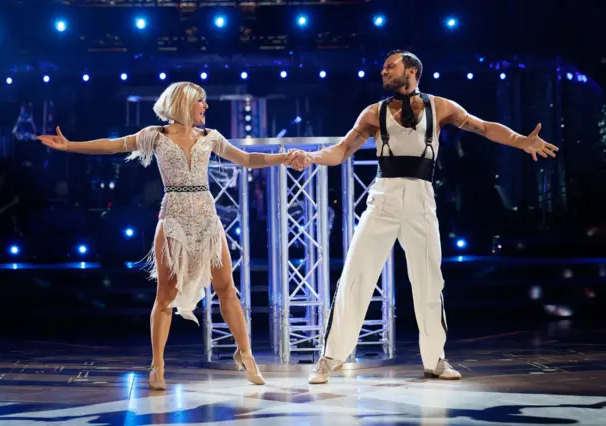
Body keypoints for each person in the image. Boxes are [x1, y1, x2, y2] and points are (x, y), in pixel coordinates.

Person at [287, 50, 559, 384]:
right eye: (384, 66)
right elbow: (341, 151)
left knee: (429, 282)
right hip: (383, 196)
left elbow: (484, 127)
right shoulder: (374, 112)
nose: (384, 70)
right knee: (356, 276)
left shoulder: (440, 106)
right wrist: (311, 157)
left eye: (391, 66)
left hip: (421, 198)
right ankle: (330, 358)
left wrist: (521, 141)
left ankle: (435, 360)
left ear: (412, 70)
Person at [37, 81, 292, 389]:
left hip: (207, 220)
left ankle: (246, 354)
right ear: (185, 103)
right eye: (201, 101)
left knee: (226, 288)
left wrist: (280, 158)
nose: (206, 107)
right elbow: (113, 144)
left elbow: (246, 159)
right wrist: (70, 146)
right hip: (173, 219)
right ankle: (157, 365)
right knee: (165, 296)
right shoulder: (155, 136)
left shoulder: (211, 137)